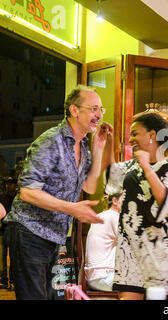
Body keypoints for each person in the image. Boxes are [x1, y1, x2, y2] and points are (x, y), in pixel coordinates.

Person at [4, 85, 113, 300]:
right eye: (93, 109)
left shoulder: (83, 147)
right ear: (74, 110)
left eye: (101, 109)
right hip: (29, 232)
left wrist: (99, 147)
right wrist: (72, 208)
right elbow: (27, 192)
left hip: (54, 237)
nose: (99, 115)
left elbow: (89, 187)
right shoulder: (50, 141)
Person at [106, 112, 168, 300]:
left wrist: (147, 167)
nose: (131, 139)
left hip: (156, 252)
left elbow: (166, 205)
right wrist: (107, 144)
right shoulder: (131, 166)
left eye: (134, 133)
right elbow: (110, 182)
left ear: (152, 135)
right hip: (128, 249)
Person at [84, 192, 122, 292]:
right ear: (115, 201)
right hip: (104, 277)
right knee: (145, 281)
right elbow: (128, 243)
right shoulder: (114, 216)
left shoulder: (100, 215)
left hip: (93, 278)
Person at [0, 177, 18, 289]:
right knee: (1, 256)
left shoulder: (18, 197)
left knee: (13, 256)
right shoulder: (1, 197)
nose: (8, 186)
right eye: (7, 183)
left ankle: (12, 280)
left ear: (15, 185)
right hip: (2, 230)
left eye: (10, 183)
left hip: (13, 230)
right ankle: (3, 280)